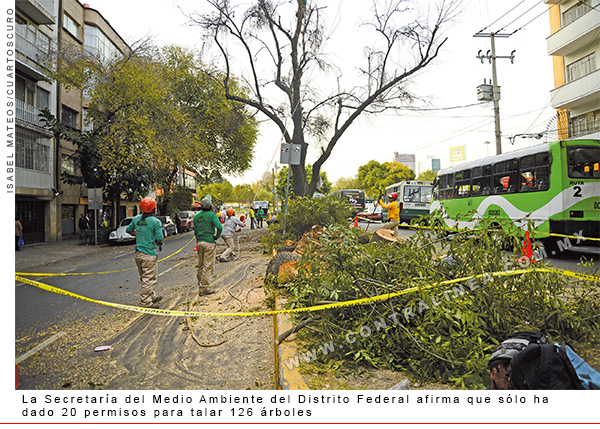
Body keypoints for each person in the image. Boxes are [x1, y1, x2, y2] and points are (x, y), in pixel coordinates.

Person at [126, 197, 164, 309]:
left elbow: (129, 230)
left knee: (144, 278)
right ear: (153, 209)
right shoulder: (155, 221)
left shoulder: (136, 219)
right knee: (149, 279)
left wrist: (138, 234)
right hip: (149, 254)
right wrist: (158, 242)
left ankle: (152, 296)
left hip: (138, 254)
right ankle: (145, 303)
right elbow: (159, 237)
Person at [193, 194, 223, 296]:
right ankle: (204, 288)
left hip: (199, 242)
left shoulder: (196, 216)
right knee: (208, 266)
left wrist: (199, 239)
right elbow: (219, 227)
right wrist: (216, 236)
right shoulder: (212, 215)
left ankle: (200, 283)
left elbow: (195, 231)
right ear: (210, 206)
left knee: (200, 265)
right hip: (209, 242)